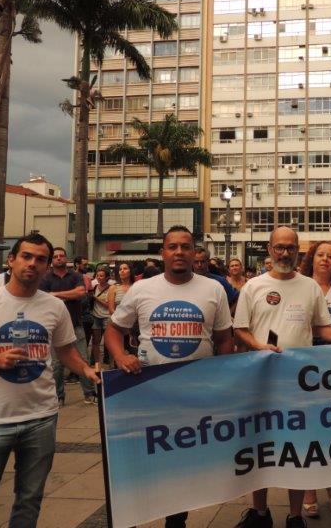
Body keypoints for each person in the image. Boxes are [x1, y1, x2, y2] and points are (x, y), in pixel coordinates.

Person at [0, 233, 100, 527]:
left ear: (47, 267)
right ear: (11, 260)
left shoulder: (54, 307)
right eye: (26, 256)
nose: (32, 264)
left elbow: (66, 351)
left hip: (41, 418)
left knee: (29, 502)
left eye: (40, 259)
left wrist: (86, 370)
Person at [105, 226, 234, 528]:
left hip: (196, 394)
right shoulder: (142, 289)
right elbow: (114, 329)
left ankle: (176, 520)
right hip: (150, 391)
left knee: (183, 462)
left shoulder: (213, 289)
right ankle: (142, 513)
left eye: (185, 246)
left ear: (194, 252)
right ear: (163, 252)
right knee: (149, 460)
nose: (179, 252)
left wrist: (224, 376)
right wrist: (121, 356)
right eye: (172, 246)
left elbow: (224, 339)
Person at [232, 227, 331, 528]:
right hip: (261, 379)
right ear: (269, 249)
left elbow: (321, 327)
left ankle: (295, 516)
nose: (285, 253)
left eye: (291, 248)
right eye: (279, 247)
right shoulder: (253, 286)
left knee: (297, 447)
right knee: (261, 447)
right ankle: (260, 513)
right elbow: (240, 329)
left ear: (298, 250)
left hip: (299, 383)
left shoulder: (309, 287)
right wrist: (258, 346)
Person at [299, 241, 331, 518]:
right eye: (320, 255)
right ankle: (309, 489)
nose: (326, 260)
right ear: (311, 258)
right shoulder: (300, 286)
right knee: (307, 432)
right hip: (303, 371)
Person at [39, 247, 97, 405]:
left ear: (66, 258)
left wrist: (55, 295)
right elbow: (44, 298)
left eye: (61, 256)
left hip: (75, 324)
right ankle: (59, 396)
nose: (59, 258)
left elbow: (80, 292)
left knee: (83, 360)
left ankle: (89, 393)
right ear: (51, 260)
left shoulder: (75, 276)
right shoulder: (45, 278)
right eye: (55, 256)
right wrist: (68, 295)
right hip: (54, 327)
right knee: (56, 365)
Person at [90, 266, 112, 366]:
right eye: (97, 275)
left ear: (107, 277)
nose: (99, 277)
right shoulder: (94, 287)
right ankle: (96, 363)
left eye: (101, 276)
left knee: (109, 341)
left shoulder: (111, 288)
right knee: (95, 341)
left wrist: (96, 299)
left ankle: (110, 363)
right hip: (95, 316)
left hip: (107, 317)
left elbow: (109, 305)